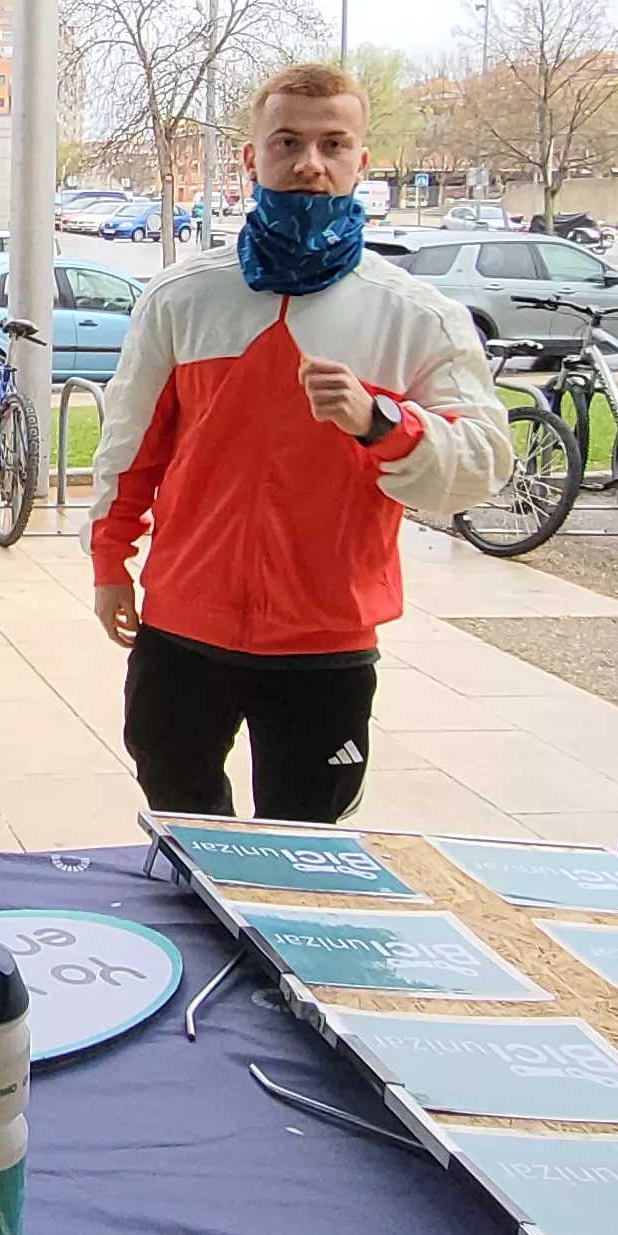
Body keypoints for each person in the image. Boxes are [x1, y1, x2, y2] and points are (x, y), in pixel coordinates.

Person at [86, 62, 513, 820]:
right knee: (183, 825)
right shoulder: (184, 296)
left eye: (332, 144)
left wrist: (381, 425)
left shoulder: (417, 316)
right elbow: (130, 445)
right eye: (287, 142)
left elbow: (481, 465)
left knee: (306, 854)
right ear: (252, 158)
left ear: (361, 162)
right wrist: (110, 561)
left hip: (325, 641)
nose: (309, 164)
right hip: (184, 629)